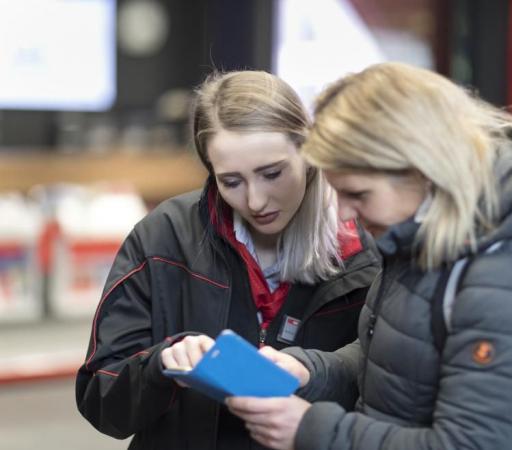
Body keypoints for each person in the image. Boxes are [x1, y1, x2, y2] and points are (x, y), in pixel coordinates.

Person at [227, 62, 512, 450]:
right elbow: (397, 360)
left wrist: (313, 430)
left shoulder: (508, 274)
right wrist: (308, 371)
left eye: (358, 194)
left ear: (422, 171)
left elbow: (471, 444)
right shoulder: (416, 239)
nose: (344, 213)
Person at [75, 70, 380, 450]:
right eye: (231, 181)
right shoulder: (162, 238)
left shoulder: (365, 247)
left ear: (308, 150)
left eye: (272, 173)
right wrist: (160, 365)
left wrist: (314, 371)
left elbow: (389, 389)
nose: (255, 201)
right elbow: (100, 401)